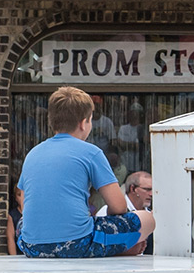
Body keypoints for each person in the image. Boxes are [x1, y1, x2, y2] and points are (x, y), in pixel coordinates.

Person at [19, 87, 156, 258]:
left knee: (23, 224)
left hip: (31, 245)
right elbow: (119, 206)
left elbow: (26, 206)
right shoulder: (91, 153)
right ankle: (120, 247)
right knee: (147, 219)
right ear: (84, 123)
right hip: (77, 243)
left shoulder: (33, 153)